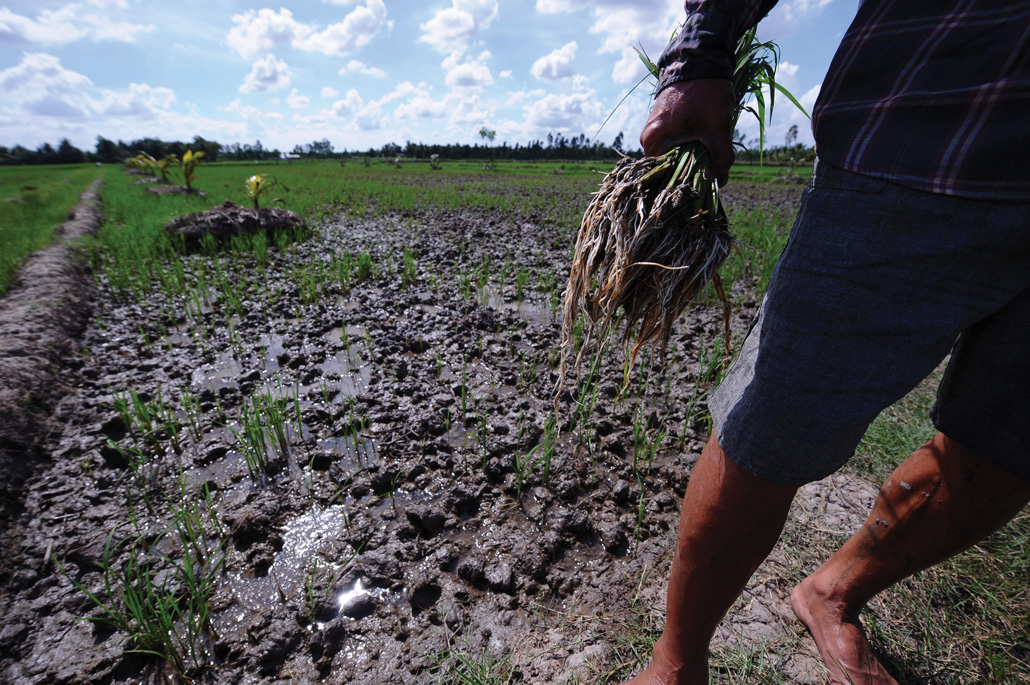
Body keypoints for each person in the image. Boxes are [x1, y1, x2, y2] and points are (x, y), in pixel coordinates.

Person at [626, 0, 1030, 683]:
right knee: (769, 429)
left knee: (1007, 453)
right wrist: (700, 49)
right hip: (924, 137)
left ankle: (835, 590)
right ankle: (674, 663)